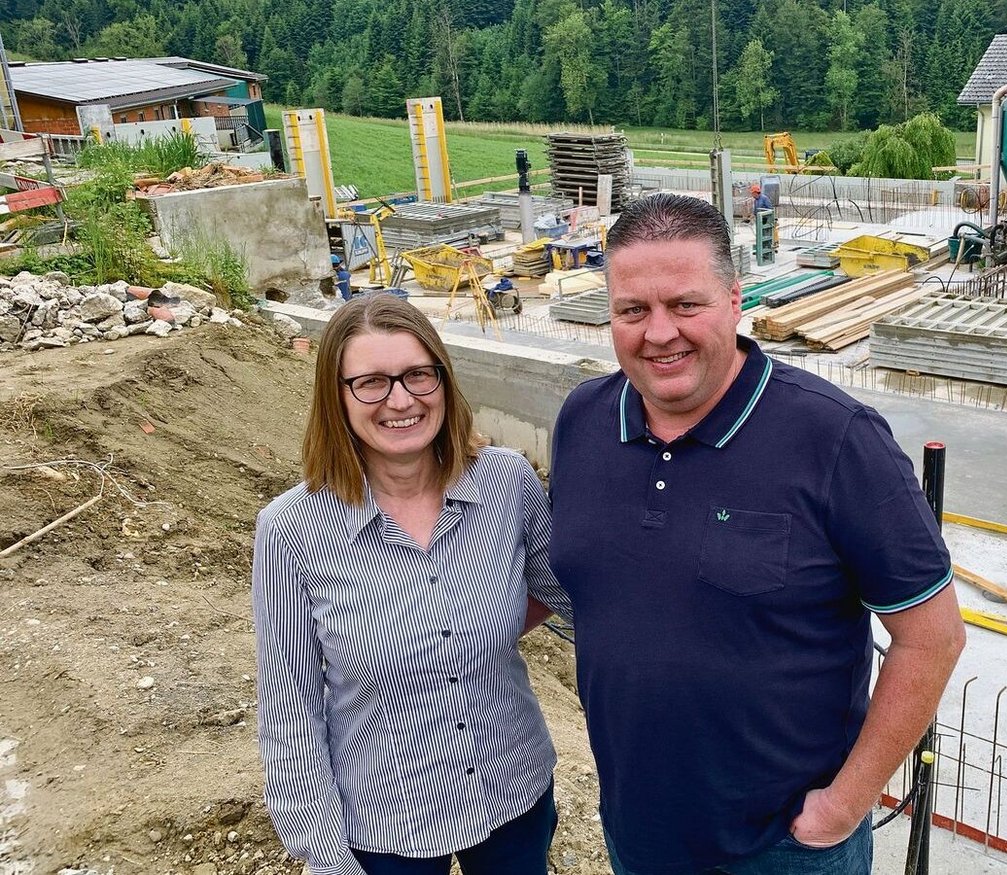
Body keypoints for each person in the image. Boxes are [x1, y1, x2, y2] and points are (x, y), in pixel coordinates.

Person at [549, 193, 965, 875]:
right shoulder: (582, 420)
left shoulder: (834, 438)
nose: (659, 333)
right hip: (637, 832)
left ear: (736, 299)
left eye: (686, 305)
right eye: (633, 310)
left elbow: (933, 635)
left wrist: (843, 805)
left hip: (782, 849)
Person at [253, 293, 571, 875]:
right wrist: (323, 852)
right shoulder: (291, 529)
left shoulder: (507, 484)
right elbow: (288, 710)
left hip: (513, 788)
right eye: (371, 382)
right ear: (336, 396)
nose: (401, 400)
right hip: (383, 817)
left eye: (418, 375)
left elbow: (564, 593)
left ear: (444, 382)